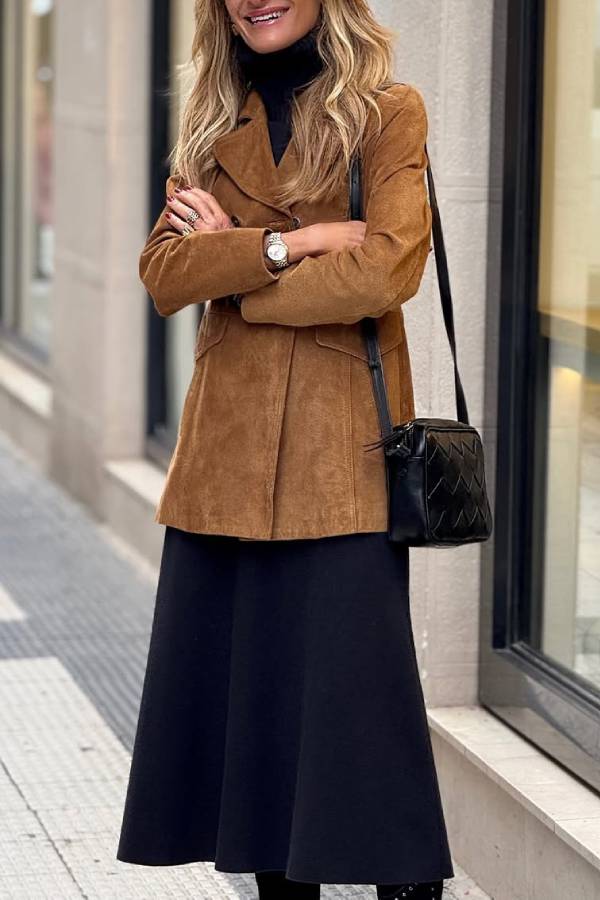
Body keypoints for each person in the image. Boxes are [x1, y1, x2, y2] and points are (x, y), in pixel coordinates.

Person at [116, 2, 455, 898]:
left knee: (362, 700)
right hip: (223, 462)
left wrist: (238, 278)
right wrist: (288, 242)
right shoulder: (208, 127)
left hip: (340, 457)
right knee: (252, 708)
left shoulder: (387, 111)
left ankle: (409, 883)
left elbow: (387, 267)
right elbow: (164, 275)